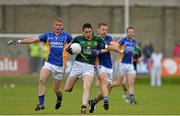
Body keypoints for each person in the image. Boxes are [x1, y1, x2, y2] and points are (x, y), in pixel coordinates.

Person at [7, 17, 73, 111]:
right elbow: (34, 39)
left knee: (56, 89)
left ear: (62, 26)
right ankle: (41, 104)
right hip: (49, 63)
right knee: (41, 79)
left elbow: (75, 44)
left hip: (60, 66)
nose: (58, 27)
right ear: (53, 25)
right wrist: (19, 41)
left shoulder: (67, 36)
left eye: (60, 25)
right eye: (56, 25)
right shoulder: (48, 35)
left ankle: (59, 97)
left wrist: (71, 48)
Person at [64, 23, 107, 115]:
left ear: (92, 31)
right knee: (67, 89)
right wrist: (69, 50)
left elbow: (107, 48)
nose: (88, 34)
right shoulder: (77, 39)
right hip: (77, 65)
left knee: (86, 87)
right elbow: (68, 47)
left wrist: (99, 51)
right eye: (86, 32)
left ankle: (83, 107)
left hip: (89, 67)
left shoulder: (98, 39)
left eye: (90, 32)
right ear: (83, 32)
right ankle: (71, 86)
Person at [88, 23, 117, 113]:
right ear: (98, 30)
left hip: (109, 65)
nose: (104, 31)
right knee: (104, 81)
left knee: (108, 88)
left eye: (106, 30)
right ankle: (106, 100)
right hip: (99, 64)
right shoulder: (94, 39)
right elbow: (89, 48)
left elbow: (115, 47)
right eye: (102, 29)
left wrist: (102, 50)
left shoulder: (109, 38)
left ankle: (94, 101)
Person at [111, 26, 137, 104]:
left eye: (132, 32)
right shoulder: (123, 40)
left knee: (131, 82)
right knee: (119, 83)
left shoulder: (134, 41)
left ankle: (132, 98)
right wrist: (122, 51)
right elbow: (116, 47)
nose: (131, 33)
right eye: (129, 32)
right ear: (127, 33)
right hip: (121, 63)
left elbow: (133, 51)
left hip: (130, 64)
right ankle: (109, 86)